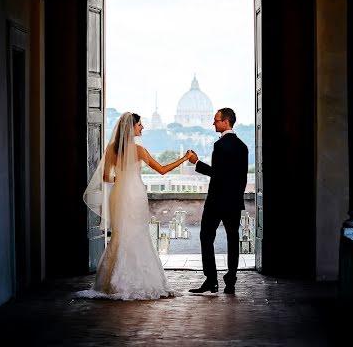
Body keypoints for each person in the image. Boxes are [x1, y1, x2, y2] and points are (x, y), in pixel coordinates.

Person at [77, 112, 192, 300]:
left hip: (119, 194)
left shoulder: (111, 149)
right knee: (138, 234)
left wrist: (122, 179)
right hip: (135, 195)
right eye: (140, 125)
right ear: (132, 128)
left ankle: (110, 282)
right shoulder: (139, 150)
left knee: (120, 235)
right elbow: (162, 170)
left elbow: (106, 177)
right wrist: (184, 158)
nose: (142, 127)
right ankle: (140, 279)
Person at [188, 107, 249, 294]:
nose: (213, 123)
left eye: (216, 120)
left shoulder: (220, 146)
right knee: (232, 240)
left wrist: (196, 163)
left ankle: (211, 280)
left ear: (226, 121)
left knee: (206, 237)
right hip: (234, 202)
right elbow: (242, 178)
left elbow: (217, 174)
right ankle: (231, 280)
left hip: (216, 201)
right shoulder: (242, 146)